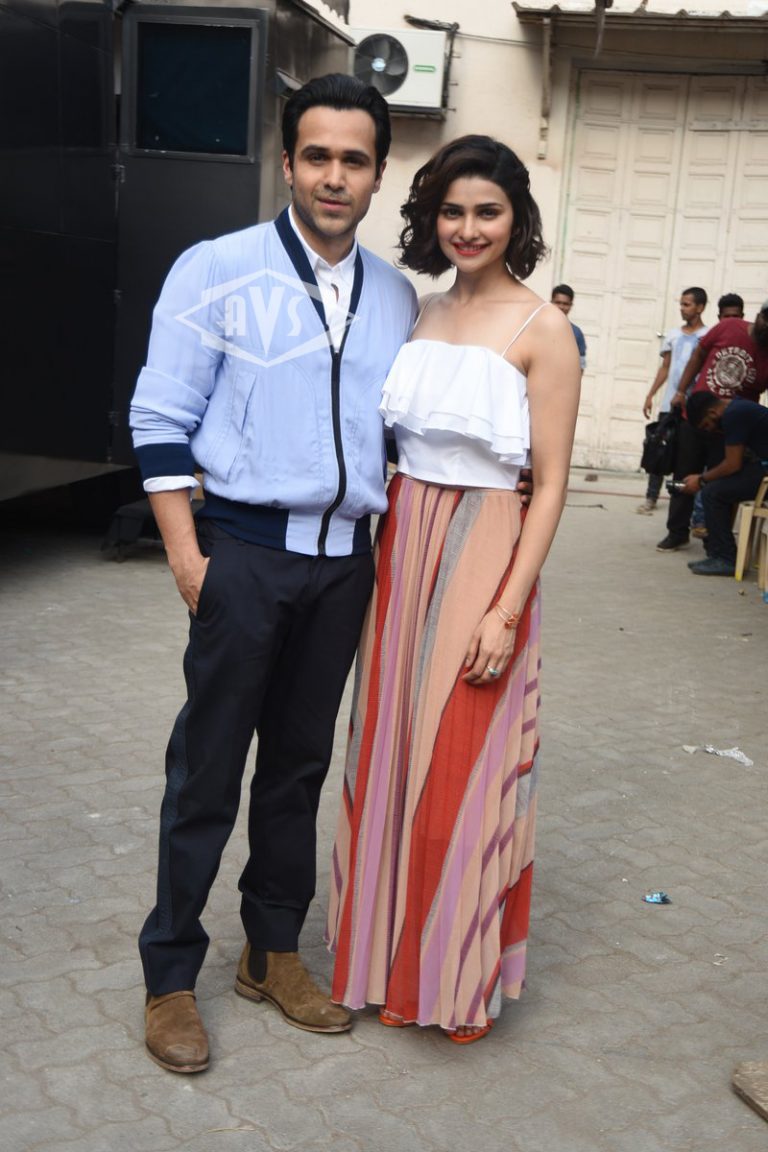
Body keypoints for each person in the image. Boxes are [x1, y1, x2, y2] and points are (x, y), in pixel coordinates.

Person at [129, 75, 533, 1075]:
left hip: (350, 565)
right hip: (244, 554)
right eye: (318, 155)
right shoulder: (215, 269)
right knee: (207, 768)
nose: (335, 176)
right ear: (288, 162)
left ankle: (271, 954)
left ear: (379, 172)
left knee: (301, 768)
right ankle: (170, 976)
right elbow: (158, 419)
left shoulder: (398, 297)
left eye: (355, 159)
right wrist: (188, 559)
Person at [326, 136, 581, 1043]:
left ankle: (454, 978)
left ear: (518, 219)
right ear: (432, 217)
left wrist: (506, 609)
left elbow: (551, 484)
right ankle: (379, 964)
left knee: (462, 764)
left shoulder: (543, 330)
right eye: (452, 211)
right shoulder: (419, 311)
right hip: (401, 544)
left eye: (488, 212)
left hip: (486, 545)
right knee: (387, 754)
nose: (469, 228)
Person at [655, 294, 768, 553]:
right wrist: (681, 390)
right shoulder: (729, 327)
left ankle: (715, 542)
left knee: (722, 482)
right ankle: (677, 532)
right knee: (684, 474)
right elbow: (698, 356)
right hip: (697, 416)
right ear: (760, 317)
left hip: (731, 429)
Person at [681, 388, 768, 576]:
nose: (710, 430)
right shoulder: (737, 406)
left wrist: (701, 479)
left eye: (706, 425)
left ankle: (725, 558)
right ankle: (717, 554)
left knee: (712, 493)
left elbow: (732, 464)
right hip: (762, 468)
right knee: (717, 487)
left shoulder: (733, 415)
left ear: (712, 413)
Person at [637, 288, 708, 515]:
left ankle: (682, 505)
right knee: (659, 449)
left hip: (692, 409)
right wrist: (651, 395)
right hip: (670, 405)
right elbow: (666, 367)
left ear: (700, 307)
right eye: (681, 304)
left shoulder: (707, 336)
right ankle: (651, 497)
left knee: (686, 457)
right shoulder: (673, 335)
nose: (682, 308)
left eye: (687, 304)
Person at [551, 283, 586, 373]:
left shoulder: (576, 333)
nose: (561, 307)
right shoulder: (538, 327)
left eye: (565, 304)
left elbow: (580, 365)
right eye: (558, 302)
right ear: (551, 302)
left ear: (571, 305)